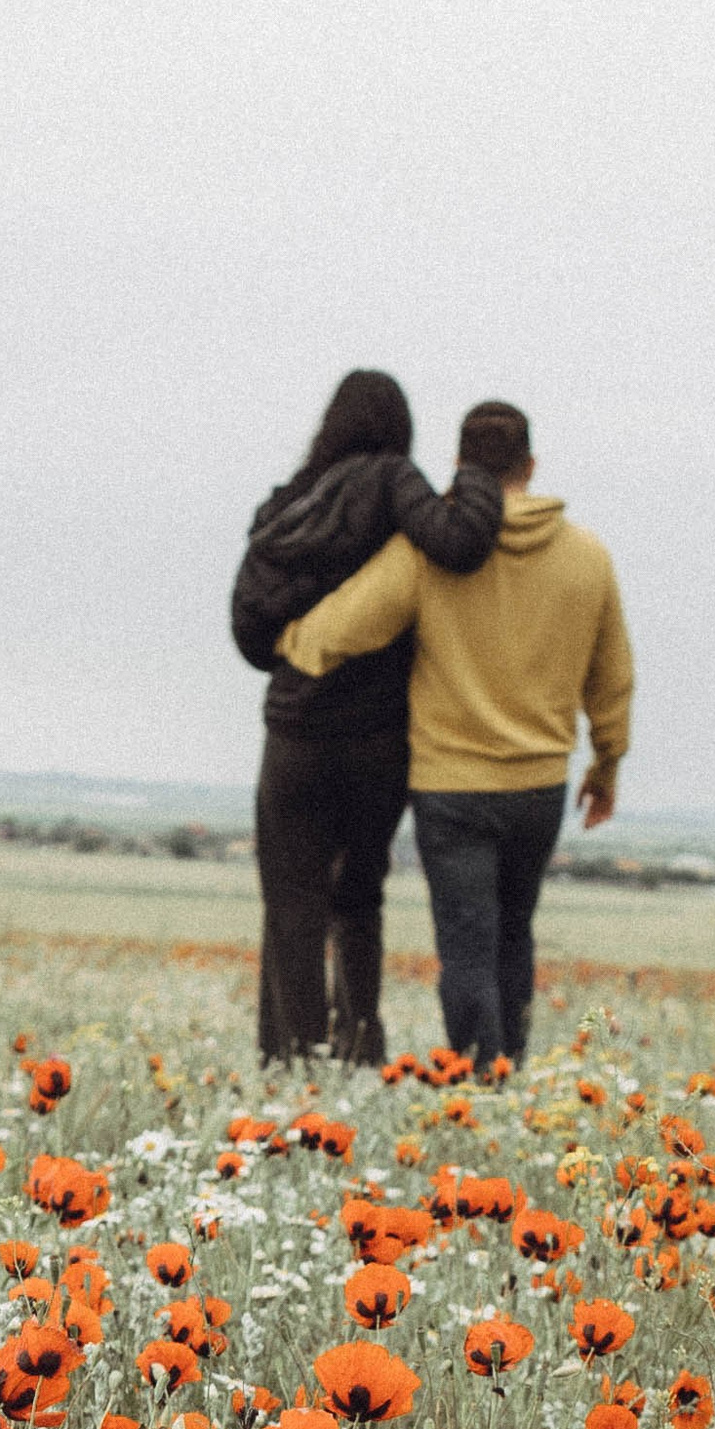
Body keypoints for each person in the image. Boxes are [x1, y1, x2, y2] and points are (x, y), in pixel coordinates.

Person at [277, 402, 632, 1074]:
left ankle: (479, 1087)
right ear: (531, 465)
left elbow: (344, 626)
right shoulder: (589, 558)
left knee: (467, 947)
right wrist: (606, 766)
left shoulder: (428, 553)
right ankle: (510, 1074)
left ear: (460, 467)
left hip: (451, 787)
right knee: (512, 938)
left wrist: (285, 641)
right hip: (541, 786)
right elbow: (612, 679)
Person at [230, 372, 502, 1064]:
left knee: (291, 904)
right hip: (377, 736)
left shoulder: (286, 506)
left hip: (293, 733)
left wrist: (300, 639)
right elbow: (461, 541)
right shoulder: (390, 479)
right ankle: (357, 1049)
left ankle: (291, 1059)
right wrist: (474, 474)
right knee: (357, 897)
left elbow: (248, 631)